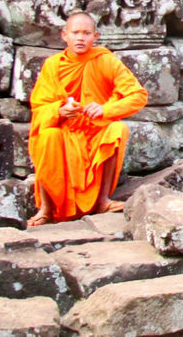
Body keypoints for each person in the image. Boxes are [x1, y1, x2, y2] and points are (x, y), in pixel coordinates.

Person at [26, 12, 148, 227]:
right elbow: (39, 108)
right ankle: (46, 208)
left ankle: (102, 200)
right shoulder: (53, 65)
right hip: (64, 130)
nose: (80, 38)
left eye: (86, 33)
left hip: (94, 129)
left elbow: (138, 96)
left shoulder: (105, 60)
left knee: (117, 130)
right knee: (46, 136)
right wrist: (58, 111)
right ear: (65, 35)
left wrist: (105, 109)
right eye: (75, 33)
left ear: (95, 36)